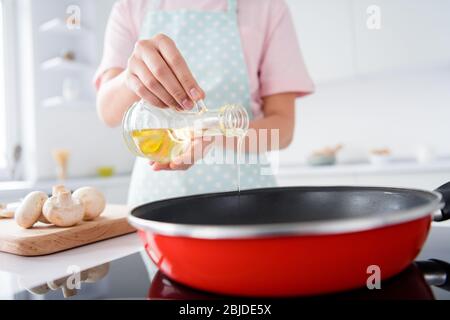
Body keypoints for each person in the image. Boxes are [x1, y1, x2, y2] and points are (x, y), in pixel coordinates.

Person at [95, 0, 314, 206]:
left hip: (246, 198)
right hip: (157, 198)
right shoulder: (132, 6)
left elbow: (283, 129)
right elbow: (107, 112)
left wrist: (210, 134)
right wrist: (130, 78)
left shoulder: (266, 7)